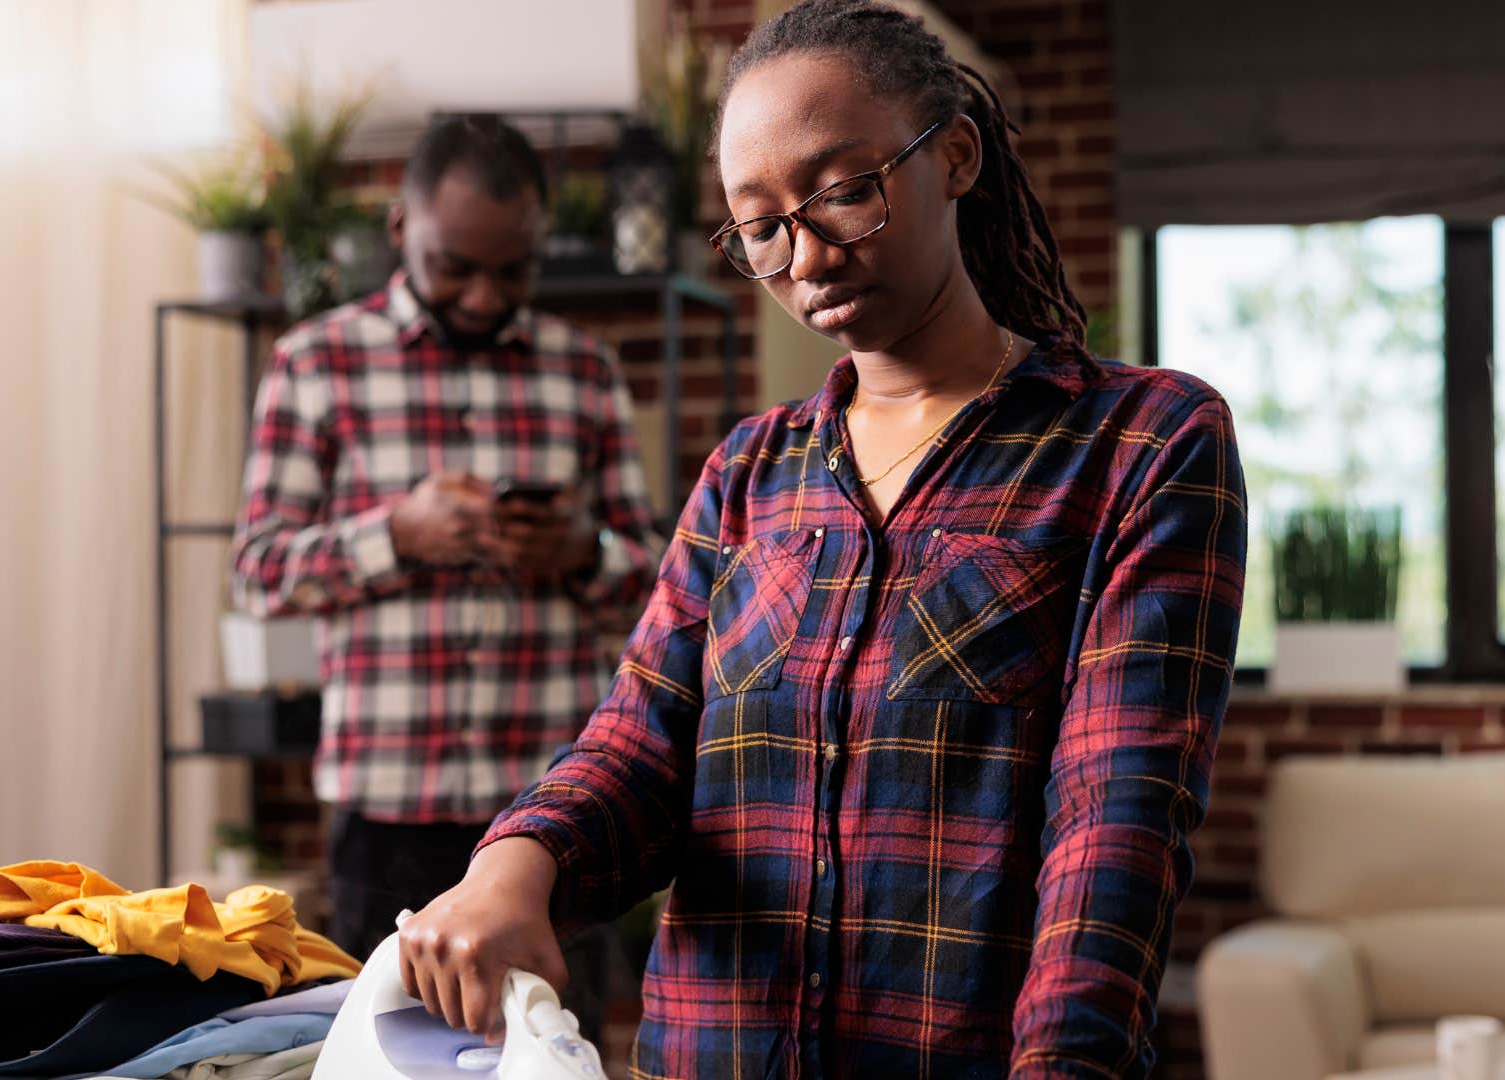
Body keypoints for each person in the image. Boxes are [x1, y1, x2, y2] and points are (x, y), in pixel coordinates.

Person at [398, 2, 1247, 1075]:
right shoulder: (750, 474)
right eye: (760, 224)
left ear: (955, 155)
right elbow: (641, 741)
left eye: (844, 192)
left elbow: (1113, 827)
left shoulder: (1142, 444)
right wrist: (511, 869)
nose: (804, 256)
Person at [231, 114, 663, 1042]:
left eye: (511, 272)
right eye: (454, 265)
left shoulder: (587, 374)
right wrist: (399, 534)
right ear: (399, 230)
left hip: (551, 809)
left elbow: (663, 593)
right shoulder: (314, 364)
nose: (481, 295)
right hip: (385, 807)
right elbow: (261, 572)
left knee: (556, 1052)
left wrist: (579, 553)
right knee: (379, 1056)